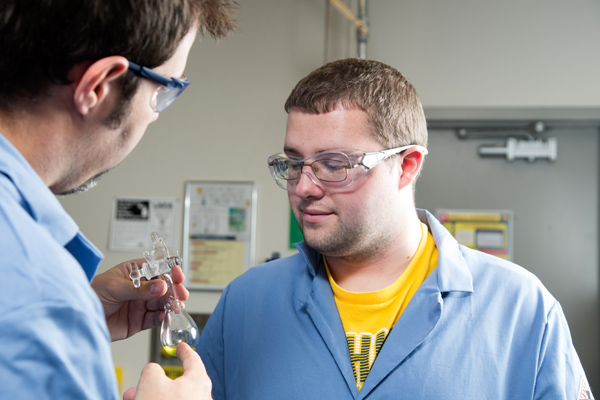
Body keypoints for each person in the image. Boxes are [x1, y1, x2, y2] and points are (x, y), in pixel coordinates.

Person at [199, 58, 593, 399]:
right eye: (294, 163)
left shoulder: (520, 310)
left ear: (407, 166)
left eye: (334, 165)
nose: (303, 187)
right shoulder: (245, 305)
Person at [0, 0, 235, 399]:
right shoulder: (41, 291)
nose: (156, 115)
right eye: (165, 91)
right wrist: (60, 315)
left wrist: (81, 314)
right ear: (100, 86)